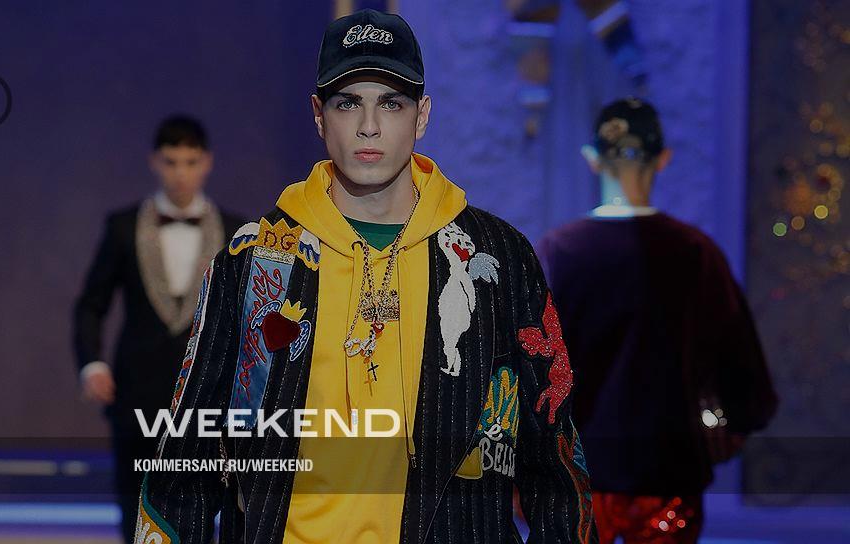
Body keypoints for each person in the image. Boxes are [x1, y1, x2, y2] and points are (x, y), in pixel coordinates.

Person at [136, 10, 596, 544]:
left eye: (391, 103)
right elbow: (184, 464)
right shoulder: (253, 261)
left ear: (422, 116)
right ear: (318, 115)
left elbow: (555, 459)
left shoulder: (498, 259)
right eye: (348, 102)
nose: (369, 126)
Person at [538, 98, 777, 543]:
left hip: (578, 474)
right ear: (662, 158)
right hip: (669, 469)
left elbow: (527, 361)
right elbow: (741, 366)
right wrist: (739, 423)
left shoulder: (558, 252)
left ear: (592, 159)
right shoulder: (695, 253)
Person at [73, 114, 244, 542]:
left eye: (190, 162)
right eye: (171, 162)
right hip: (136, 393)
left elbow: (249, 314)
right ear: (154, 162)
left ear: (207, 162)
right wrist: (92, 363)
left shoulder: (236, 232)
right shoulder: (122, 227)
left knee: (210, 502)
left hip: (210, 395)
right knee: (133, 504)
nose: (180, 173)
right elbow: (91, 304)